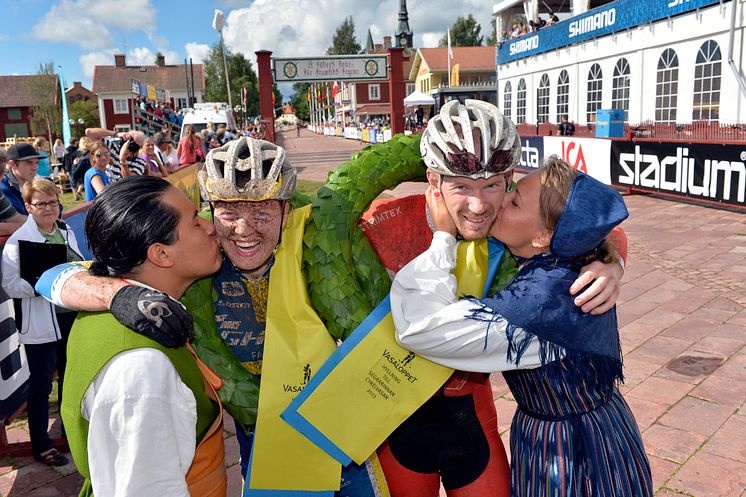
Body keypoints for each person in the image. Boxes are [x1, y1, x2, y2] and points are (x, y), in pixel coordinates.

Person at [390, 156, 652, 497]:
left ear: (543, 236)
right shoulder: (572, 256)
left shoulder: (539, 305)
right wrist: (613, 262)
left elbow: (419, 328)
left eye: (514, 201)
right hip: (601, 424)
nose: (497, 204)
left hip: (570, 450)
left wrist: (443, 237)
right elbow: (609, 233)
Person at [58, 176, 226, 497]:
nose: (210, 227)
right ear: (161, 254)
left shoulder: (108, 306)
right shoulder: (143, 367)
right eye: (194, 222)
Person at [2, 178, 83, 467]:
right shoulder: (17, 242)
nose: (49, 208)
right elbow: (11, 285)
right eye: (41, 204)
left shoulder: (65, 230)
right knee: (41, 383)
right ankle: (41, 444)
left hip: (70, 316)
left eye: (53, 202)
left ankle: (68, 430)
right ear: (28, 207)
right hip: (41, 322)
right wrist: (44, 284)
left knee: (70, 376)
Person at [1, 143, 42, 215]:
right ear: (12, 164)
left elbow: (57, 208)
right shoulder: (3, 189)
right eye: (29, 163)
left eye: (36, 163)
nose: (34, 168)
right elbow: (19, 218)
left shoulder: (38, 184)